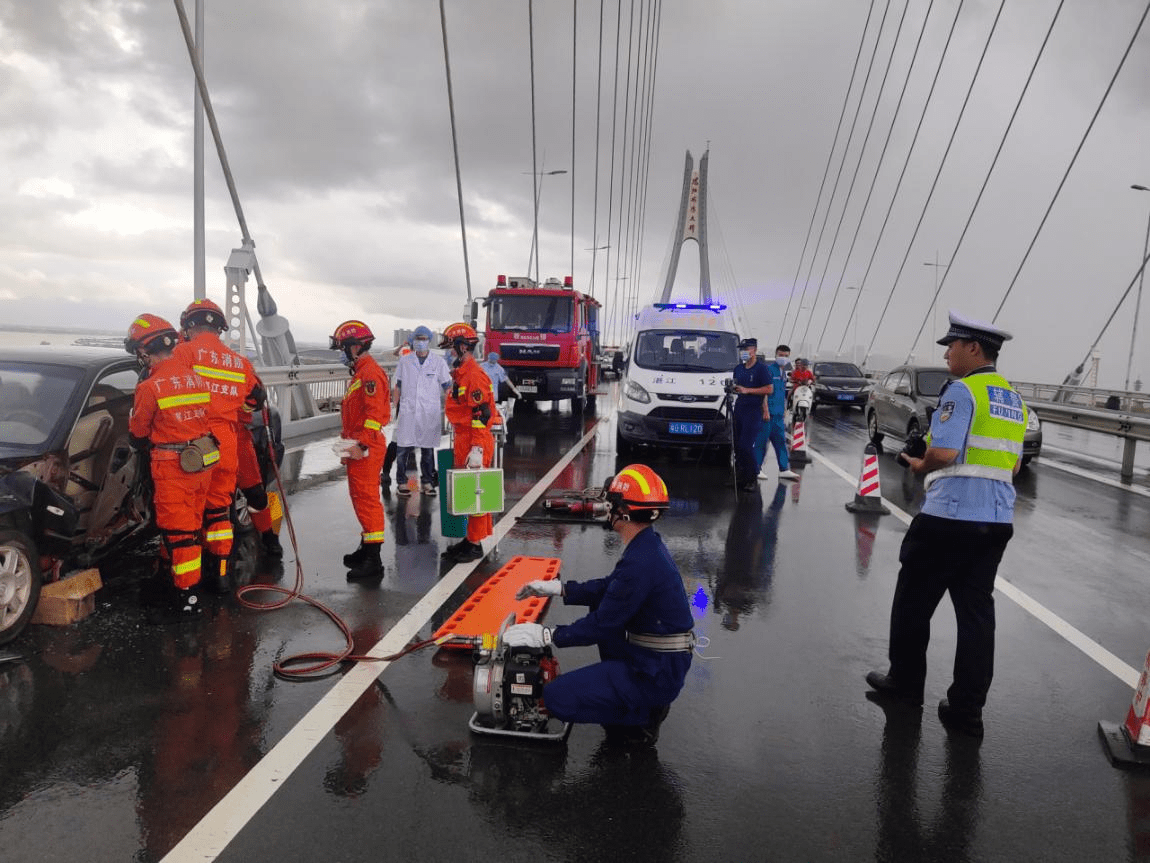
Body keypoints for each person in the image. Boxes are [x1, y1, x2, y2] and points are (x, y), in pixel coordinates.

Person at [866, 311, 1027, 739]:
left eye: (951, 345)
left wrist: (919, 462)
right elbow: (1012, 461)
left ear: (974, 349)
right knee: (976, 617)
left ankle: (904, 685)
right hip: (995, 521)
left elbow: (946, 452)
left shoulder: (962, 391)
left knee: (913, 603)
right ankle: (966, 711)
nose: (946, 352)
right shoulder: (1012, 398)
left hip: (949, 516)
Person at [509, 464, 693, 745]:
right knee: (598, 603)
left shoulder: (641, 562)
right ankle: (631, 700)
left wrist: (547, 635)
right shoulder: (646, 546)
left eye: (611, 502)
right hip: (660, 660)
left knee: (557, 698)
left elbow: (603, 625)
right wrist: (559, 589)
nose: (606, 508)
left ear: (624, 511)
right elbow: (610, 588)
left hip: (656, 672)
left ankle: (641, 718)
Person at [125, 313, 216, 619]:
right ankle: (170, 579)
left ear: (144, 350)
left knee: (180, 534)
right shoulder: (195, 379)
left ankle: (187, 597)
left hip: (173, 468)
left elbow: (138, 433)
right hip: (200, 463)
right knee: (190, 525)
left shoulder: (150, 388)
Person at [174, 299, 266, 591]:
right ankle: (222, 575)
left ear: (189, 325)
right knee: (219, 513)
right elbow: (256, 399)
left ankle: (188, 582)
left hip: (193, 444)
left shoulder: (183, 352)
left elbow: (162, 388)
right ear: (220, 328)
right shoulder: (238, 362)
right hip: (226, 443)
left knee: (189, 513)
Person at [330, 320, 391, 579]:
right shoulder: (362, 373)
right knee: (360, 498)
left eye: (344, 349)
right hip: (358, 444)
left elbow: (374, 416)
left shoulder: (369, 375)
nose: (343, 354)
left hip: (365, 446)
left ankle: (373, 561)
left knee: (367, 500)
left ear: (355, 347)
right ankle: (366, 548)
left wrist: (362, 444)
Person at [439, 322, 501, 563]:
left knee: (476, 491)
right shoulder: (462, 373)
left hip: (475, 440)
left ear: (463, 347)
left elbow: (481, 414)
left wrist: (476, 449)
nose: (449, 353)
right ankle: (471, 538)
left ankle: (474, 544)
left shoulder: (474, 375)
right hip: (466, 437)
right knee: (469, 492)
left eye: (451, 349)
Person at [392, 325, 451, 496]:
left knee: (427, 449)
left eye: (424, 339)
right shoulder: (405, 361)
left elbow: (447, 386)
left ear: (429, 341)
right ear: (413, 340)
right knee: (403, 449)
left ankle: (427, 482)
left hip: (429, 412)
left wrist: (451, 410)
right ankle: (402, 483)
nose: (420, 342)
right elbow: (398, 385)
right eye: (418, 339)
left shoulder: (438, 362)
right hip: (408, 410)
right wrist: (395, 410)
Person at [729, 337, 772, 492]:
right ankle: (740, 477)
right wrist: (735, 389)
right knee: (737, 445)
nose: (743, 352)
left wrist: (748, 390)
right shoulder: (738, 368)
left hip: (753, 411)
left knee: (747, 446)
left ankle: (752, 477)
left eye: (746, 349)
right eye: (742, 350)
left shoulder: (761, 369)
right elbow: (736, 385)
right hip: (739, 408)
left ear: (754, 350)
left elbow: (769, 389)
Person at [755, 344, 800, 482]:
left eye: (786, 356)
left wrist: (785, 409)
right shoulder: (769, 371)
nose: (783, 358)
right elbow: (763, 391)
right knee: (762, 442)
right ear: (776, 355)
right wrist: (765, 410)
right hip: (768, 414)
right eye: (781, 355)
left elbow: (782, 393)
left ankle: (784, 469)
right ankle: (756, 469)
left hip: (779, 414)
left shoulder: (783, 373)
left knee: (780, 441)